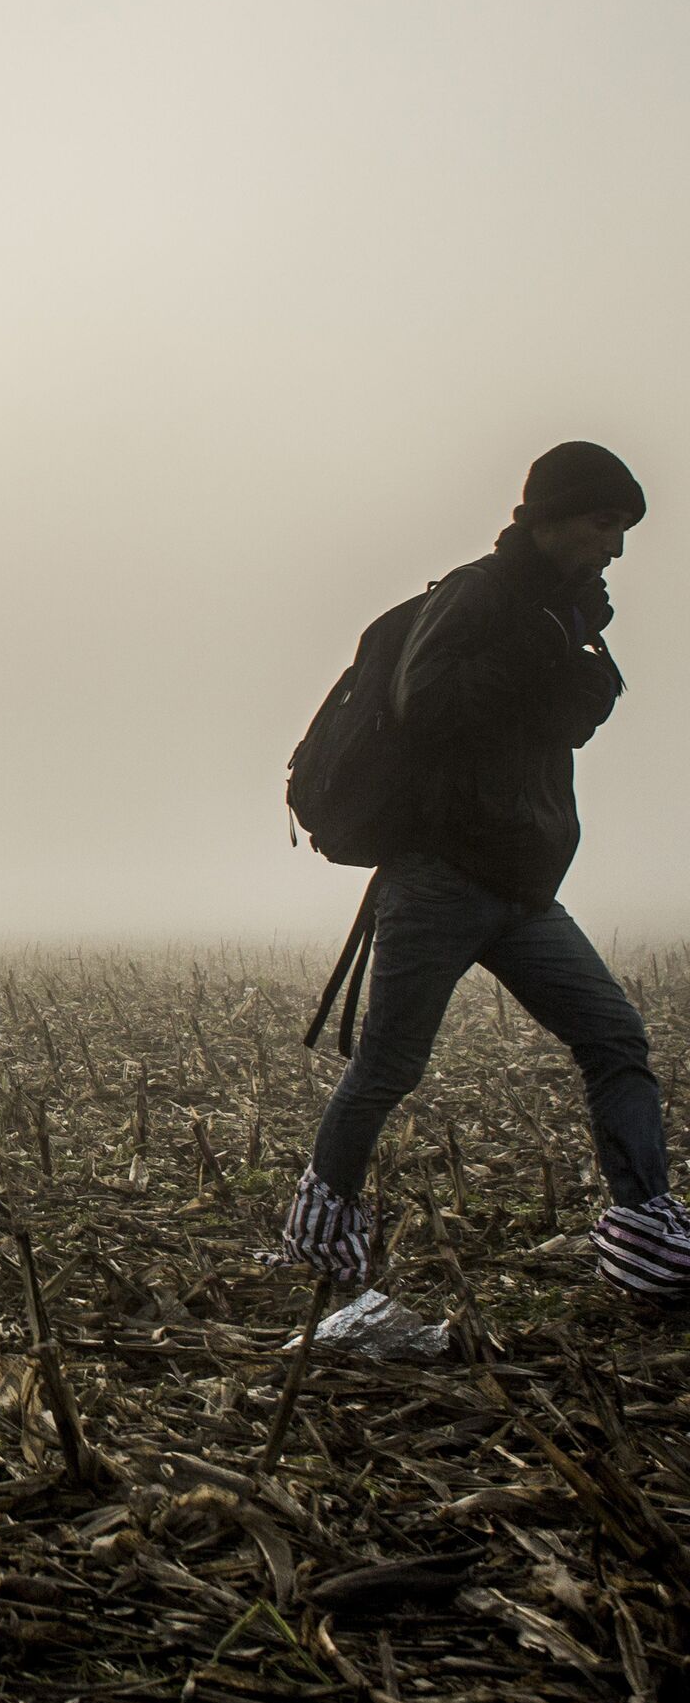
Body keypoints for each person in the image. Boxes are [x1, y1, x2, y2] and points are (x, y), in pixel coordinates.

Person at [282, 443, 690, 1298]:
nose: (614, 548)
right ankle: (320, 1241)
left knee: (615, 1037)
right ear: (549, 518)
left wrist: (570, 650)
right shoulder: (479, 593)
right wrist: (548, 645)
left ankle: (648, 1242)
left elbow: (564, 720)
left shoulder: (567, 617)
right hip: (438, 878)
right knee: (389, 1069)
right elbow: (424, 704)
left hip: (522, 886)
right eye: (603, 523)